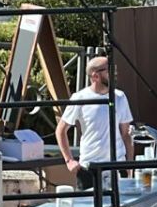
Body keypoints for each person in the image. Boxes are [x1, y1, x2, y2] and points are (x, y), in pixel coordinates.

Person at [56, 56, 134, 194]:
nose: (114, 74)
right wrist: (69, 160)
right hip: (89, 167)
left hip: (117, 165)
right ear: (95, 75)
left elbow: (125, 133)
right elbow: (61, 130)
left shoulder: (120, 97)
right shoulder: (80, 97)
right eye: (109, 71)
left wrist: (130, 163)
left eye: (114, 70)